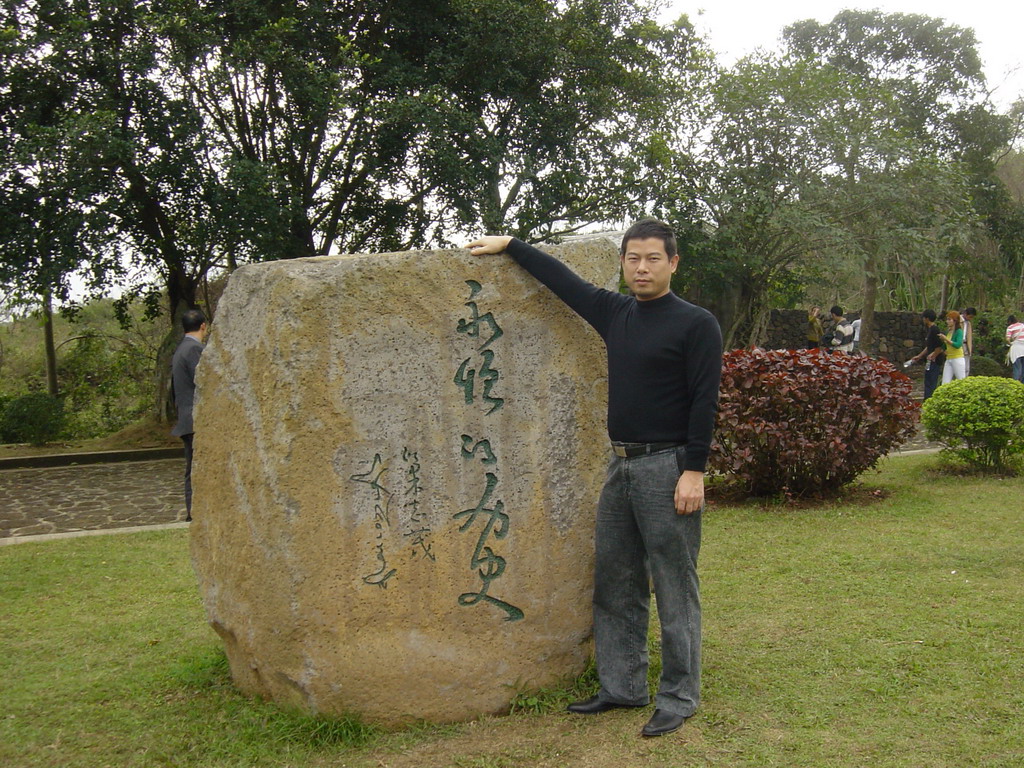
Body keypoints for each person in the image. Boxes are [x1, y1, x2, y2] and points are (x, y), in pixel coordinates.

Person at [466, 219, 722, 738]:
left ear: (673, 263)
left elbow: (705, 400)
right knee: (616, 579)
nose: (642, 268)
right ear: (623, 262)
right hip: (619, 464)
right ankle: (623, 686)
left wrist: (693, 470)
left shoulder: (696, 324)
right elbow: (565, 283)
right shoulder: (617, 313)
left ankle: (679, 693)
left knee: (674, 584)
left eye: (653, 258)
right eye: (633, 258)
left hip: (667, 465)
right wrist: (513, 245)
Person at [170, 308, 208, 522]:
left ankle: (194, 511)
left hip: (187, 418)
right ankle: (195, 512)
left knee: (193, 468)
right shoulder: (194, 350)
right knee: (196, 469)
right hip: (196, 420)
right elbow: (204, 382)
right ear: (204, 325)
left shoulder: (181, 348)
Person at [908, 309, 945, 400]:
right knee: (927, 381)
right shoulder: (929, 330)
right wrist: (920, 356)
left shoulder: (935, 330)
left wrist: (934, 355)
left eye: (924, 318)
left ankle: (930, 399)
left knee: (932, 381)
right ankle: (927, 399)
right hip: (929, 360)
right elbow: (929, 346)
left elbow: (939, 346)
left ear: (927, 318)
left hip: (934, 361)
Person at [938, 310, 966, 384]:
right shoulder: (949, 331)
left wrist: (946, 339)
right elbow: (945, 346)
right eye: (947, 319)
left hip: (957, 358)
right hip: (949, 358)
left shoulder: (959, 331)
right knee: (945, 382)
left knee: (961, 380)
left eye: (949, 319)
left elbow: (958, 345)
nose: (947, 321)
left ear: (955, 321)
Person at [1007, 314, 1024, 383]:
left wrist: (1010, 343)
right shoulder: (1022, 325)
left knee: (1017, 368)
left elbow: (1008, 339)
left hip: (1016, 349)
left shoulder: (1010, 327)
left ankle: (1016, 384)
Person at [962, 307, 976, 375]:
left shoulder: (968, 324)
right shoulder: (957, 320)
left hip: (966, 346)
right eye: (970, 317)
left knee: (966, 368)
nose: (970, 319)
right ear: (965, 314)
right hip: (959, 345)